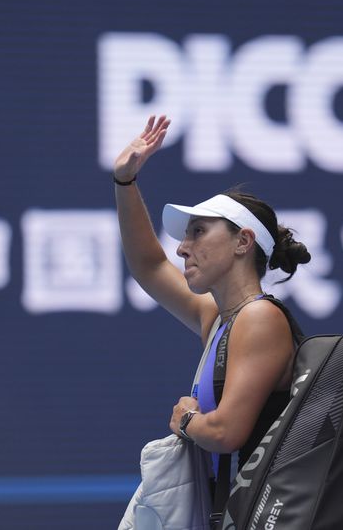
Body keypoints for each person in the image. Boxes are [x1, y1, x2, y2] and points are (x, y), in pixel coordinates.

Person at [113, 115, 311, 474]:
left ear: (243, 241)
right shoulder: (220, 319)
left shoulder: (259, 318)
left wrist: (186, 419)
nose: (182, 249)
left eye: (198, 232)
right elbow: (149, 265)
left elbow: (225, 432)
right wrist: (124, 181)